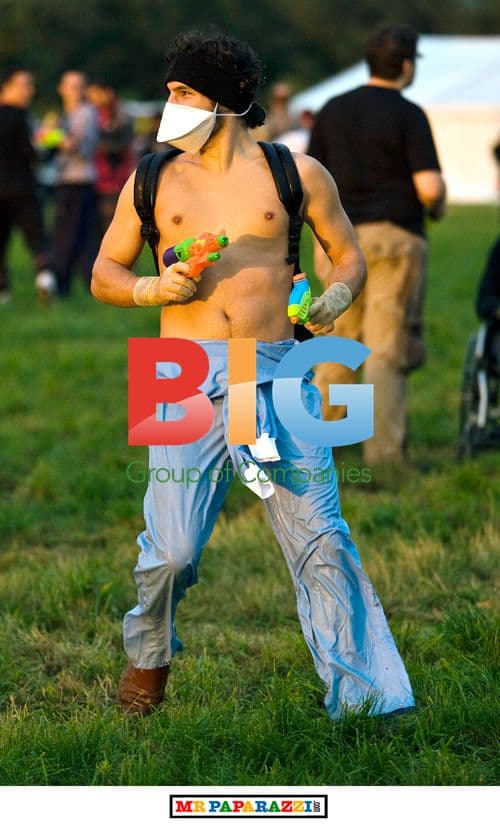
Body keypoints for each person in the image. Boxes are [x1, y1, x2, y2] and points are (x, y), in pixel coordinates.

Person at [92, 31, 415, 720]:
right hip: (179, 374)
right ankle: (148, 656)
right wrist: (150, 289)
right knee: (173, 551)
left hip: (278, 367)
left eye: (183, 92)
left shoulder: (297, 173)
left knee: (321, 537)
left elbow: (349, 255)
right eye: (170, 91)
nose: (171, 104)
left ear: (227, 99)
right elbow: (103, 272)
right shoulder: (152, 178)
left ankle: (364, 699)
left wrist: (336, 296)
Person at [308, 24, 447, 465]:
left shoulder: (332, 109)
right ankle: (385, 458)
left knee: (337, 344)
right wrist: (439, 205)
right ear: (406, 65)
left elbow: (309, 177)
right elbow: (429, 187)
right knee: (385, 349)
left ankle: (318, 447)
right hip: (393, 238)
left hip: (336, 240)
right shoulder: (408, 114)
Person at [0, 67, 55, 303]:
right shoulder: (19, 115)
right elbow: (31, 153)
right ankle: (45, 280)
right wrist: (52, 148)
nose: (29, 90)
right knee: (37, 239)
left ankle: (3, 292)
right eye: (24, 85)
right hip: (22, 188)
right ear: (7, 87)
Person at [52, 71, 99, 296]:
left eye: (79, 85)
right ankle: (85, 283)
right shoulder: (66, 114)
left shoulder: (85, 114)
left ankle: (63, 285)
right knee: (78, 235)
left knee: (69, 235)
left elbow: (78, 146)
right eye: (70, 85)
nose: (74, 90)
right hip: (69, 180)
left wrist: (54, 136)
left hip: (78, 181)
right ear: (61, 89)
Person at [86, 80, 135, 236]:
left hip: (114, 179)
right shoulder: (95, 114)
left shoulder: (120, 115)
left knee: (112, 226)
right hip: (96, 178)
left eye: (95, 94)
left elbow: (123, 144)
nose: (91, 99)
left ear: (108, 93)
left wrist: (95, 143)